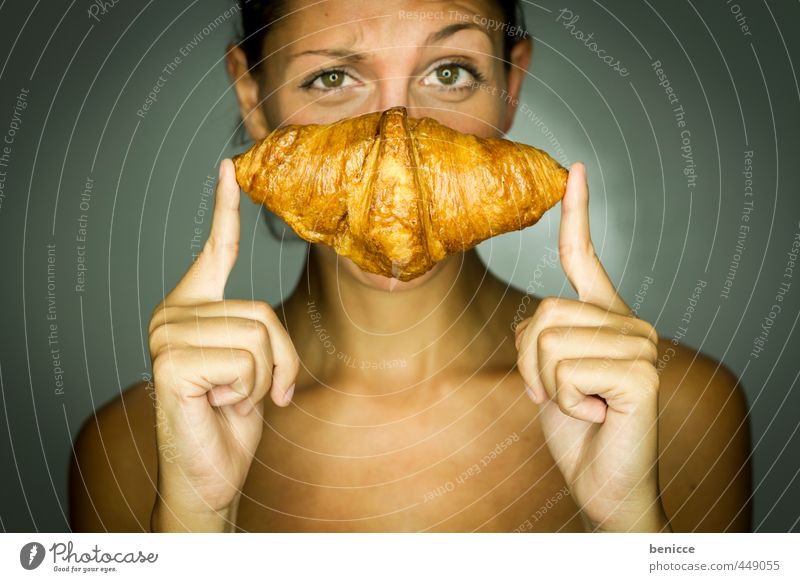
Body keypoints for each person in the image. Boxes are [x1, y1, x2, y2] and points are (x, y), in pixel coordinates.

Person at [70, 0, 752, 533]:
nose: (398, 151)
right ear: (255, 100)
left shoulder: (675, 410)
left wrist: (631, 529)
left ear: (509, 87)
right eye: (332, 78)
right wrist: (192, 520)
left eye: (448, 73)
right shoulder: (132, 451)